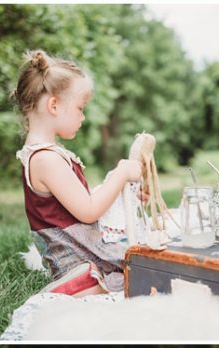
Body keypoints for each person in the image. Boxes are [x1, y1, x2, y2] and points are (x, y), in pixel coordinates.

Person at [14, 49, 144, 296]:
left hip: (81, 246)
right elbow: (88, 210)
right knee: (134, 273)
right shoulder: (45, 159)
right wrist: (121, 172)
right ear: (54, 105)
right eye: (80, 108)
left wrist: (121, 193)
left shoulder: (47, 154)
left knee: (137, 261)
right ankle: (79, 283)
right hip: (73, 256)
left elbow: (76, 204)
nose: (83, 117)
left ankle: (91, 280)